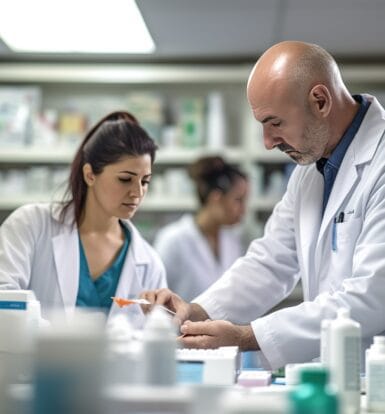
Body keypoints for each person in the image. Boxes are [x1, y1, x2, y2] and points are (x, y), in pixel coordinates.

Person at [141, 40, 385, 370]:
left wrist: (247, 337)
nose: (268, 143)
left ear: (320, 101)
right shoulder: (308, 172)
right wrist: (196, 313)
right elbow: (270, 262)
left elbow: (372, 296)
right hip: (339, 372)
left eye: (275, 123)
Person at [0, 111, 166, 325]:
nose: (137, 192)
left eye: (145, 181)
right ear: (90, 175)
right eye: (125, 179)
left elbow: (153, 339)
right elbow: (3, 301)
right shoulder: (30, 224)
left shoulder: (150, 264)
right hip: (30, 358)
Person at [153, 156, 248, 301]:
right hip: (177, 323)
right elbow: (154, 298)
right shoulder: (173, 240)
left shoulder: (233, 239)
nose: (243, 210)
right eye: (238, 200)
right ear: (216, 198)